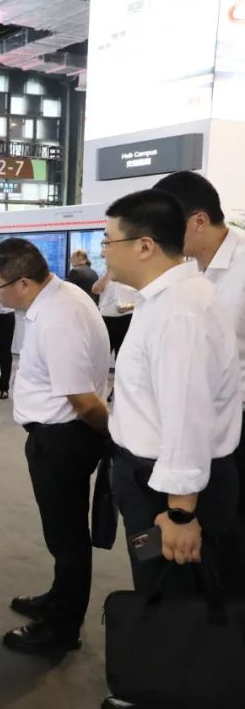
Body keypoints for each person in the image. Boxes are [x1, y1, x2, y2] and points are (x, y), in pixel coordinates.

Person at [99, 189, 242, 708]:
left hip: (171, 489)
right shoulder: (165, 300)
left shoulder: (182, 310)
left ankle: (179, 689)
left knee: (181, 596)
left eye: (108, 240)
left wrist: (181, 512)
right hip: (150, 478)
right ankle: (162, 680)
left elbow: (188, 415)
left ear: (144, 246)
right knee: (162, 588)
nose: (103, 251)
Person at [0, 239, 111, 654]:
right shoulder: (59, 297)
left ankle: (62, 628)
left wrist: (108, 435)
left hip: (63, 439)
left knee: (67, 536)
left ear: (23, 283)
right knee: (63, 533)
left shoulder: (58, 317)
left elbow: (84, 401)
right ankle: (59, 598)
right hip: (60, 435)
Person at [154, 170, 245, 586]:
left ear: (199, 220)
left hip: (237, 422)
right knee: (211, 536)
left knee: (234, 535)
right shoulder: (190, 270)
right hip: (202, 425)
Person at [92, 271, 136, 358]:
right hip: (105, 318)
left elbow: (144, 298)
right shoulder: (107, 274)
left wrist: (129, 306)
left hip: (126, 318)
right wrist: (108, 274)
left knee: (122, 354)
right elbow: (95, 290)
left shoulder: (134, 274)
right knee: (102, 354)